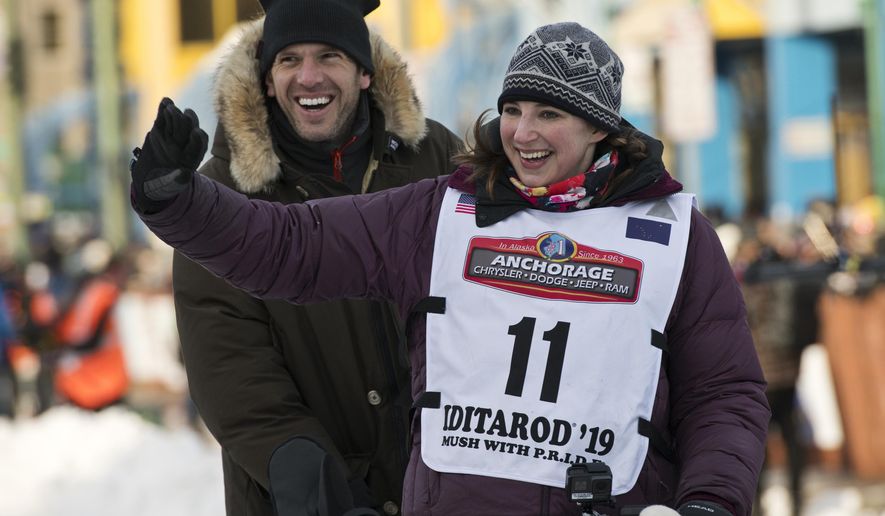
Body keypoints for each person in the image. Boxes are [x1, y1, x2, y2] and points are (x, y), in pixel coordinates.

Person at [130, 22, 769, 516]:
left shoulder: (673, 232)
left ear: (600, 128)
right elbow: (293, 246)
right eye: (513, 109)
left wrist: (710, 502)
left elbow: (724, 393)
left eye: (550, 114)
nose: (523, 133)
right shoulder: (446, 209)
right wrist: (178, 199)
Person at [164, 0, 463, 515]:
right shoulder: (222, 195)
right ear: (265, 78)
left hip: (443, 492)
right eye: (288, 60)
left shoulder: (436, 159)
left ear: (364, 73)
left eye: (329, 56)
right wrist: (318, 484)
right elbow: (231, 366)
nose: (308, 77)